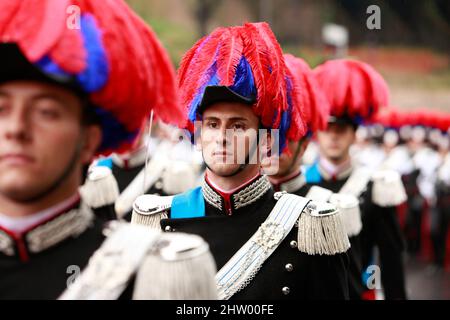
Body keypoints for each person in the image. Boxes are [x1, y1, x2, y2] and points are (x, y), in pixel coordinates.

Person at [0, 0, 215, 300]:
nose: (15, 128)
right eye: (1, 108)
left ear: (88, 140)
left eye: (46, 112)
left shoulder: (157, 274)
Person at [132, 22, 351, 300]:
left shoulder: (308, 227)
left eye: (237, 126)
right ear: (198, 135)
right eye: (212, 124)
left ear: (267, 141)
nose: (222, 137)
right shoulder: (162, 218)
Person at [304, 59, 408, 300]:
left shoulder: (375, 187)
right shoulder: (299, 184)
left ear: (354, 135)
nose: (333, 137)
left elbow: (391, 259)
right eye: (327, 129)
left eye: (341, 130)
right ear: (317, 133)